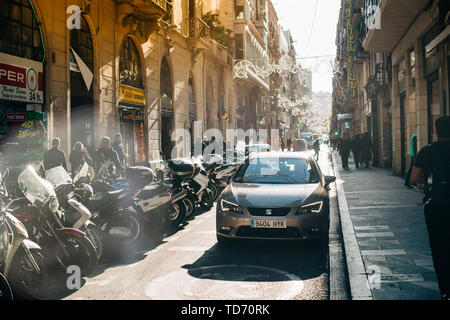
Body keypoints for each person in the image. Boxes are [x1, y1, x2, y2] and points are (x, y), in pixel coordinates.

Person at [411, 116, 450, 300]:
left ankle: (445, 289)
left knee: (439, 247)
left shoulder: (427, 151)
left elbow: (413, 178)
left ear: (435, 130)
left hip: (436, 206)